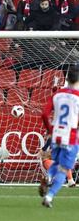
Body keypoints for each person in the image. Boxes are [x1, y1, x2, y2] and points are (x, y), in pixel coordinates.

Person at [40, 63, 79, 208]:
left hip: (56, 135)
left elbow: (44, 113)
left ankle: (48, 176)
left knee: (55, 163)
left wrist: (50, 129)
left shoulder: (57, 95)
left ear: (67, 80)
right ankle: (49, 197)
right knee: (63, 169)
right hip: (71, 137)